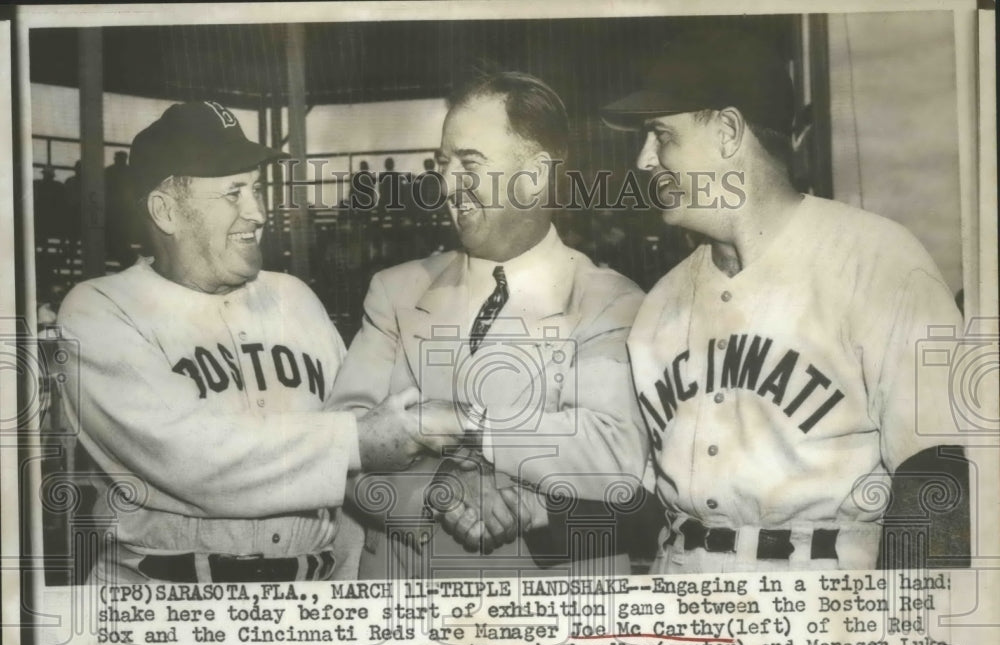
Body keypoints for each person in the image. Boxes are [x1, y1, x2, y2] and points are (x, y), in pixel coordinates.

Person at [601, 30, 969, 573]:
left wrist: (907, 640)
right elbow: (642, 492)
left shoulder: (878, 262)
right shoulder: (661, 301)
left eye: (661, 135)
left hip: (825, 607)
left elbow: (939, 477)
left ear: (728, 132)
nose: (644, 160)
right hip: (680, 593)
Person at [56, 100, 464, 584]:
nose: (258, 211)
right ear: (166, 212)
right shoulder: (100, 309)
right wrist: (358, 441)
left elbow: (359, 458)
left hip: (310, 597)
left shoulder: (294, 297)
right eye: (233, 193)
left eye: (256, 188)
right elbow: (193, 459)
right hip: (166, 601)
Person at [331, 72, 648, 579]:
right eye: (442, 164)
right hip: (408, 597)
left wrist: (465, 423)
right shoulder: (395, 291)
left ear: (535, 176)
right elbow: (341, 445)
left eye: (469, 164)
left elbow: (613, 454)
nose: (448, 184)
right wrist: (441, 485)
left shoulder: (612, 300)